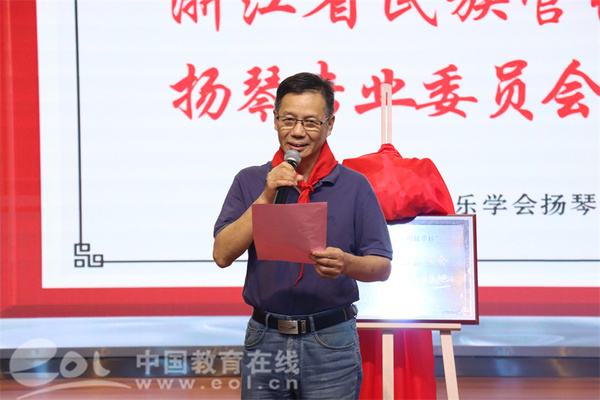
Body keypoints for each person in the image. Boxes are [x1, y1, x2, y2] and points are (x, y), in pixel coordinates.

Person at [213, 72, 393, 399]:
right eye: (289, 120)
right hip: (265, 338)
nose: (297, 132)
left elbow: (381, 266)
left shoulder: (354, 186)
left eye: (310, 122)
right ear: (274, 119)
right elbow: (222, 255)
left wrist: (346, 263)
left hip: (331, 341)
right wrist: (266, 195)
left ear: (330, 124)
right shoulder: (250, 180)